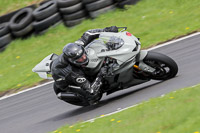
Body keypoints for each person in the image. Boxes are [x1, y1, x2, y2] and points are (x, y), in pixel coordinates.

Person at [51, 26, 118, 100]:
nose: (84, 58)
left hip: (65, 64)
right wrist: (100, 75)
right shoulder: (74, 73)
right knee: (94, 97)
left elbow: (89, 34)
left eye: (83, 54)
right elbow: (91, 90)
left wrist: (106, 30)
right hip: (64, 77)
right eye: (80, 59)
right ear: (73, 61)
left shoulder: (78, 47)